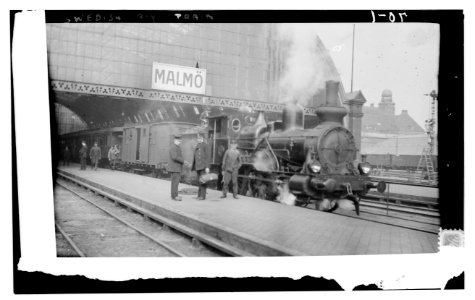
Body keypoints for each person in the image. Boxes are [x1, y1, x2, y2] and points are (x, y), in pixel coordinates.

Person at [192, 133, 210, 200]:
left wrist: (207, 167)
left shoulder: (205, 146)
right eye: (198, 138)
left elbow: (208, 157)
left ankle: (202, 196)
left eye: (200, 138)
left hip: (203, 166)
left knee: (203, 181)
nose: (199, 139)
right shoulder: (197, 145)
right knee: (199, 181)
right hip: (198, 167)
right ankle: (199, 195)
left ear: (203, 138)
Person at [167, 134, 186, 201]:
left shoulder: (177, 147)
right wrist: (183, 161)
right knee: (175, 182)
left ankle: (174, 196)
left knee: (175, 182)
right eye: (178, 141)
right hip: (175, 168)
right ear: (175, 140)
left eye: (180, 141)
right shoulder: (173, 147)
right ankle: (174, 196)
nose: (179, 142)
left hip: (176, 168)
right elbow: (174, 157)